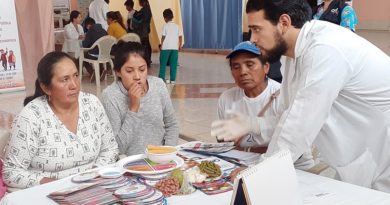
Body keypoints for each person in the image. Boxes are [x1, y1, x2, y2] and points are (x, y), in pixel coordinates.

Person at [211, 0, 390, 192]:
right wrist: (252, 124)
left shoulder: (325, 48)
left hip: (382, 154)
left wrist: (259, 174)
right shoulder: (292, 57)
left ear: (284, 23)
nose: (252, 39)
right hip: (360, 156)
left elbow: (298, 127)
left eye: (257, 29)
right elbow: (287, 117)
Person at [2, 51, 119, 190]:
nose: (74, 85)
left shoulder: (92, 104)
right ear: (46, 88)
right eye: (65, 79)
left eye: (76, 76)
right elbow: (11, 172)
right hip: (50, 192)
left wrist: (92, 176)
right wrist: (55, 185)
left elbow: (110, 149)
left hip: (94, 186)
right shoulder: (31, 116)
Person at [215, 41, 313, 169]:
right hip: (244, 164)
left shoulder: (283, 96)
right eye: (236, 66)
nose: (243, 72)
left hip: (291, 166)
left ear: (266, 67)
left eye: (250, 65)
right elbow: (222, 141)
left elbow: (294, 147)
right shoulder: (227, 99)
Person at [101, 41, 178, 156]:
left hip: (161, 159)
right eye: (129, 71)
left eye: (142, 70)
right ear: (118, 72)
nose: (137, 77)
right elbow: (116, 148)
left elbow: (171, 124)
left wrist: (167, 153)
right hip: (130, 164)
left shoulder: (158, 85)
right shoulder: (110, 96)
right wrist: (133, 109)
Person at [158, 8, 183, 84]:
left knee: (163, 63)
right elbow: (180, 37)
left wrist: (161, 45)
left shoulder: (165, 26)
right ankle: (172, 80)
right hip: (174, 48)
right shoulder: (177, 26)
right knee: (173, 64)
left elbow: (163, 37)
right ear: (172, 17)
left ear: (165, 18)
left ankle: (162, 79)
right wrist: (180, 45)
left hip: (166, 48)